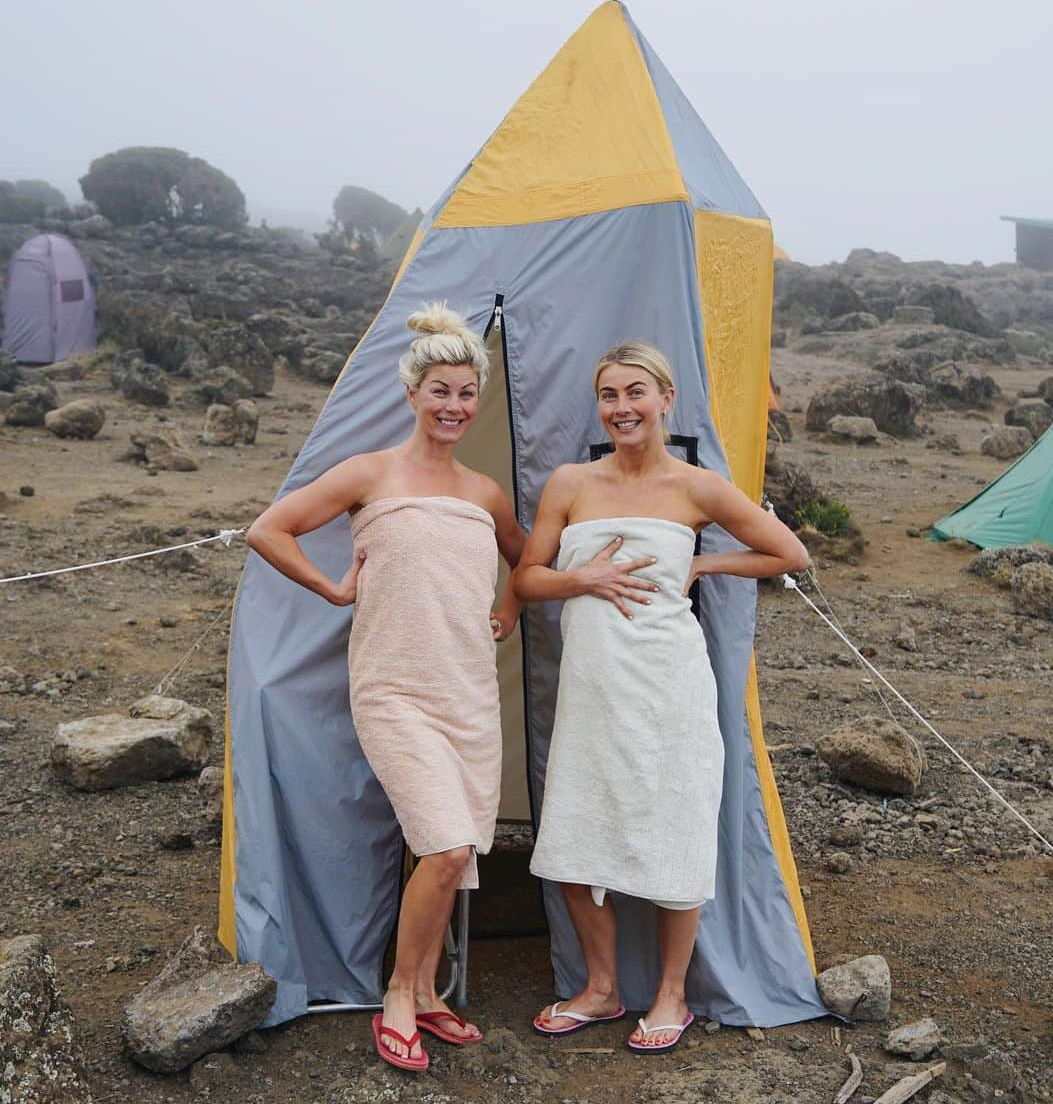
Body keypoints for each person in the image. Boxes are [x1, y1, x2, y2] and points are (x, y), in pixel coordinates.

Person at [245, 303, 525, 1072]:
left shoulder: (486, 491)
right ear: (412, 391)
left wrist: (507, 605)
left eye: (466, 392)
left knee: (451, 847)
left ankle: (431, 993)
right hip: (393, 688)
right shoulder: (369, 472)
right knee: (443, 844)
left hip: (468, 692)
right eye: (440, 389)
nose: (454, 406)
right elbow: (269, 529)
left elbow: (525, 561)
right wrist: (334, 591)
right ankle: (402, 992)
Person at [514, 341, 809, 1053]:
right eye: (610, 395)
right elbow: (527, 578)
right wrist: (582, 579)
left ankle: (672, 993)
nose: (622, 407)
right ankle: (602, 987)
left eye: (635, 392)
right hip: (590, 688)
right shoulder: (569, 482)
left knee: (676, 835)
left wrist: (704, 559)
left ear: (665, 399)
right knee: (573, 844)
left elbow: (789, 552)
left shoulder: (695, 487)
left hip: (669, 684)